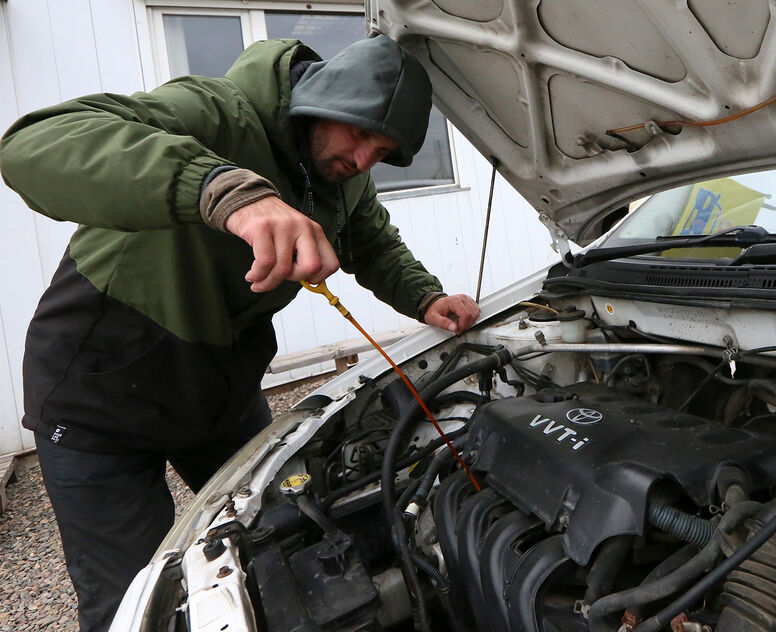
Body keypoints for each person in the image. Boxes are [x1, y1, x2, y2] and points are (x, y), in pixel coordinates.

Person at [0, 33, 481, 632]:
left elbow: (373, 240)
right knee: (136, 604)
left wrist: (427, 296)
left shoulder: (341, 175)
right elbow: (35, 143)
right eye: (358, 134)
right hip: (99, 396)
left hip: (220, 394)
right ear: (323, 98)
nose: (361, 160)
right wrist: (225, 190)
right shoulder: (215, 112)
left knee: (288, 536)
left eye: (380, 153)